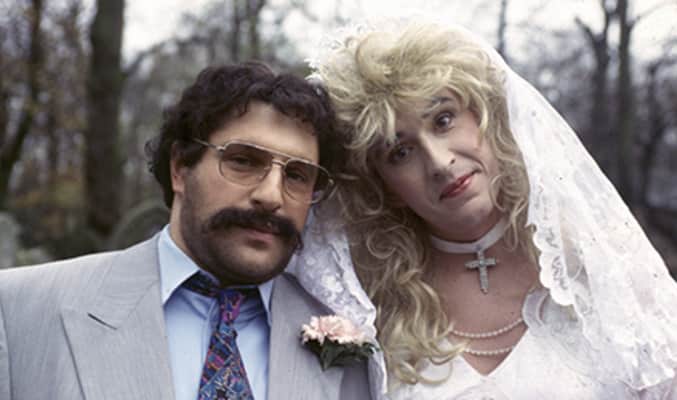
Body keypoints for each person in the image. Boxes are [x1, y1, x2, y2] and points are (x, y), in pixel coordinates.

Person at [291, 18, 677, 399]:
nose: (439, 162)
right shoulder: (369, 307)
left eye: (443, 120)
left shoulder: (600, 268)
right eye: (400, 152)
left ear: (486, 117)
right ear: (384, 186)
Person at [0, 62, 373, 400]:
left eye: (297, 175)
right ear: (180, 168)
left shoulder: (355, 343)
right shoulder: (19, 309)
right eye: (243, 161)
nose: (271, 195)